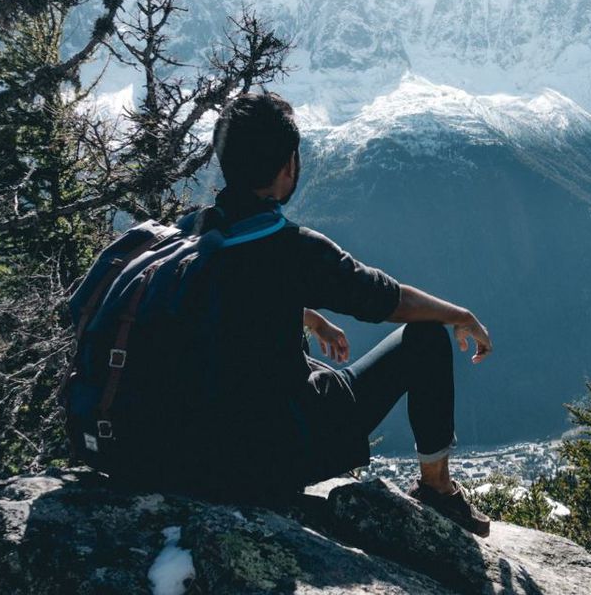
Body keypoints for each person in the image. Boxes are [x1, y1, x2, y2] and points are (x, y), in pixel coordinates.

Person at [180, 91, 494, 537]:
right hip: (277, 451)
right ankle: (438, 491)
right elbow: (387, 300)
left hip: (196, 451)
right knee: (424, 337)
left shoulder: (190, 236)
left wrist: (308, 316)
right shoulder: (292, 248)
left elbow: (233, 297)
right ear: (289, 165)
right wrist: (459, 314)